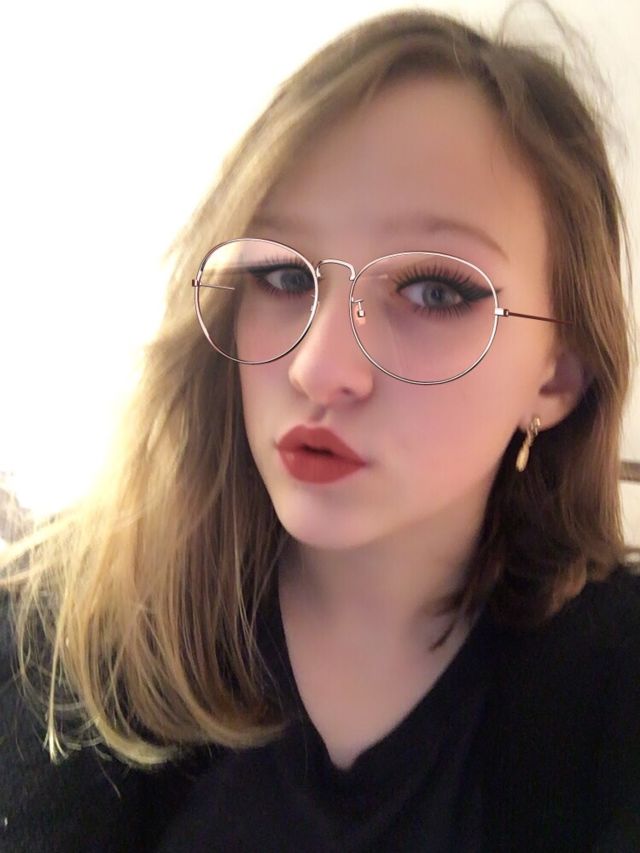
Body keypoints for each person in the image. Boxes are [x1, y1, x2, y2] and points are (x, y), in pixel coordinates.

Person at [1, 6, 639, 852]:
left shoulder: (615, 688)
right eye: (281, 273)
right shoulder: (54, 636)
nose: (318, 365)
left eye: (434, 291)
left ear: (557, 377)